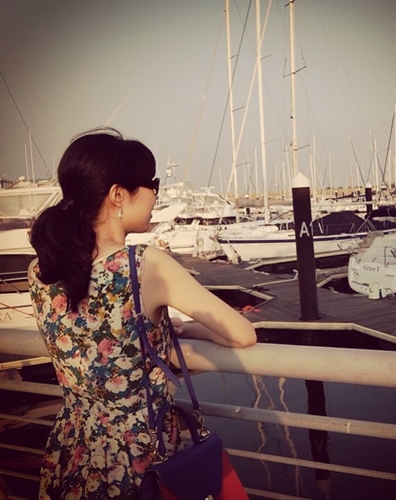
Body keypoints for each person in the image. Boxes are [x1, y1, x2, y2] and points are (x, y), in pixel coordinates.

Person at [28, 128, 257, 499]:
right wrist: (190, 330)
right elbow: (243, 334)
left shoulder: (40, 270)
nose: (156, 195)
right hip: (137, 458)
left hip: (72, 450)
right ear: (118, 195)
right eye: (153, 184)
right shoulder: (144, 265)